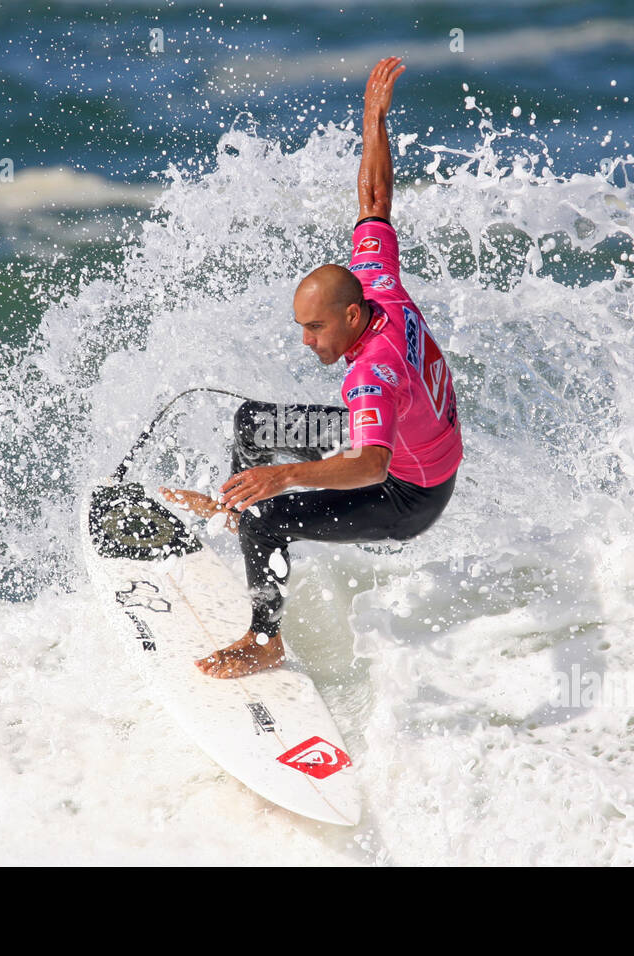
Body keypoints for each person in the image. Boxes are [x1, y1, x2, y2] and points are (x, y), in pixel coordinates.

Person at [160, 56, 462, 678]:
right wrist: (373, 119)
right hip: (419, 430)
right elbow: (375, 198)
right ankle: (235, 516)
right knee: (253, 424)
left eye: (317, 327)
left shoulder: (370, 376)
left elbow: (372, 465)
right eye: (302, 325)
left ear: (353, 318)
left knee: (273, 516)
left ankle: (263, 639)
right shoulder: (376, 280)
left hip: (411, 492)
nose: (306, 340)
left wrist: (286, 477)